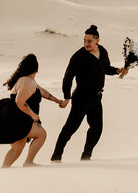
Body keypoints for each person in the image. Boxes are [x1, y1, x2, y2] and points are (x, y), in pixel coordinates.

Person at [0, 53, 68, 167]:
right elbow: (19, 101)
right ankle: (28, 162)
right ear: (36, 69)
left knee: (18, 147)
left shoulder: (29, 81)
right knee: (41, 134)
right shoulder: (27, 82)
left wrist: (57, 101)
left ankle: (5, 168)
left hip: (16, 118)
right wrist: (33, 114)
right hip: (18, 119)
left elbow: (43, 92)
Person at [51, 24, 129, 162]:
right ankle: (56, 157)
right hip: (81, 97)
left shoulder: (103, 52)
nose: (86, 44)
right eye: (84, 41)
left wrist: (118, 70)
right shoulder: (79, 56)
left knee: (97, 128)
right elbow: (67, 77)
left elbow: (106, 68)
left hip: (96, 97)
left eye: (89, 41)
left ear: (97, 40)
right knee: (70, 128)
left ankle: (86, 156)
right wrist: (67, 97)